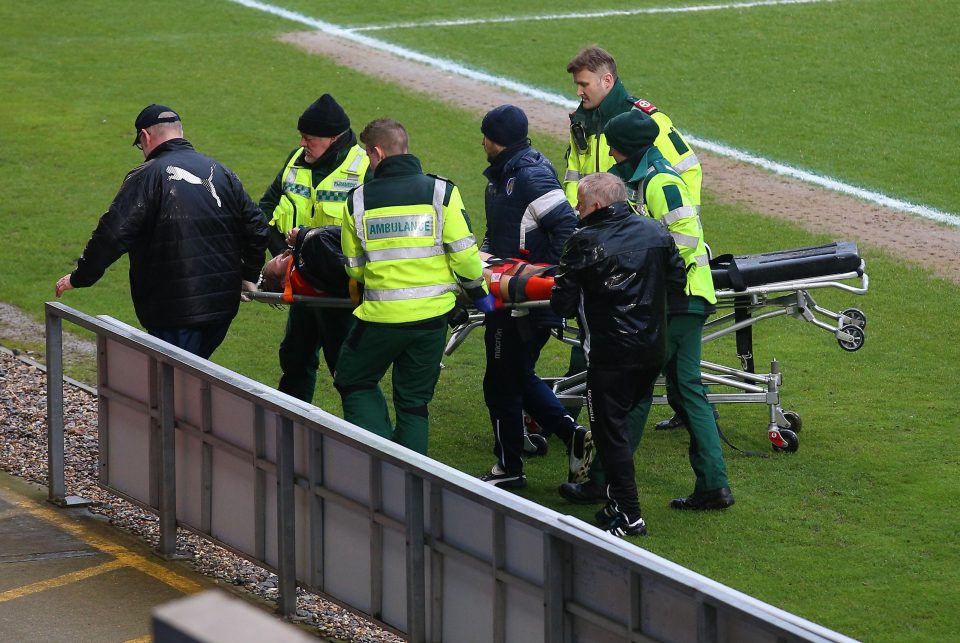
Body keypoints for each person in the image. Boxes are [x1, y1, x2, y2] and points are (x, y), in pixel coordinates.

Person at [563, 45, 707, 433]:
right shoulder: (581, 122)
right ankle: (571, 417)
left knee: (601, 330)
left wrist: (662, 233)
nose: (579, 91)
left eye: (584, 84)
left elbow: (687, 172)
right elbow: (574, 176)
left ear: (607, 80)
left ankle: (572, 420)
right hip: (600, 241)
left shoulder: (648, 121)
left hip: (635, 249)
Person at [55, 104, 268, 359]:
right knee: (193, 378)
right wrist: (249, 274)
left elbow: (113, 235)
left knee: (174, 385)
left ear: (145, 136)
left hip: (172, 310)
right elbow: (257, 226)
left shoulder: (148, 175)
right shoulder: (221, 172)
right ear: (181, 131)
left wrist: (80, 277)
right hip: (221, 308)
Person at [602, 109, 734, 511]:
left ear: (624, 148)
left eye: (611, 144)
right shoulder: (645, 179)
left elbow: (685, 241)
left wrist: (646, 279)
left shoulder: (661, 184)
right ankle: (714, 485)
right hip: (683, 297)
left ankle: (606, 481)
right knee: (686, 387)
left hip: (679, 300)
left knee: (641, 388)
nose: (607, 150)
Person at [335, 118, 491, 455]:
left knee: (353, 379)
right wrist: (479, 294)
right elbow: (465, 256)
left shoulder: (358, 201)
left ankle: (381, 454)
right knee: (415, 402)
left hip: (381, 319)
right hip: (433, 320)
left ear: (377, 153)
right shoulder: (441, 192)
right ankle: (411, 479)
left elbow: (355, 268)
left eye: (367, 155)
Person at [551, 173, 686, 536]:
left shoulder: (583, 241)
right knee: (621, 429)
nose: (576, 210)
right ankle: (615, 501)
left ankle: (631, 515)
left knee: (611, 435)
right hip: (651, 351)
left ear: (596, 205)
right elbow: (676, 282)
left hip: (610, 356)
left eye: (580, 203)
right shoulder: (655, 231)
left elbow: (562, 303)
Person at [475, 105, 594, 490]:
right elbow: (501, 236)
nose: (481, 142)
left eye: (485, 136)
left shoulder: (529, 176)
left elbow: (567, 229)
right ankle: (567, 434)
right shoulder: (502, 178)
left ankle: (509, 466)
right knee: (514, 374)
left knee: (500, 381)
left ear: (497, 140)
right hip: (507, 294)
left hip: (526, 301)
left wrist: (553, 280)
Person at [258, 94, 370, 402]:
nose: (303, 143)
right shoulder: (296, 159)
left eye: (310, 138)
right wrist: (285, 256)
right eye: (302, 137)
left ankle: (363, 438)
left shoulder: (363, 168)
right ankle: (292, 426)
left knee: (344, 367)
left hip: (339, 288)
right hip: (303, 282)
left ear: (334, 138)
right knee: (294, 357)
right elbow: (265, 209)